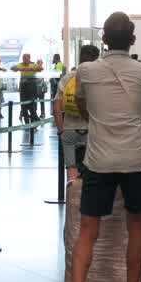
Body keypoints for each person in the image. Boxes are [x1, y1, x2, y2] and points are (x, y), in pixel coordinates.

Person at [51, 12, 141, 282]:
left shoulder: (85, 71)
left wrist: (99, 119)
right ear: (133, 40)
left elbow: (82, 108)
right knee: (136, 224)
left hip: (97, 158)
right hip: (135, 158)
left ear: (103, 41)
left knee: (88, 228)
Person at [54, 44, 101, 181]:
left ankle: (72, 198)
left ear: (80, 57)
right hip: (92, 129)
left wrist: (60, 130)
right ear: (96, 59)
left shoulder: (67, 78)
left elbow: (57, 108)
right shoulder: (98, 79)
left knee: (71, 166)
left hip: (69, 128)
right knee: (92, 168)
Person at [12, 54, 44, 123]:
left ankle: (35, 120)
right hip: (23, 88)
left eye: (26, 58)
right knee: (23, 106)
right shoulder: (21, 64)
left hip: (32, 87)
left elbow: (41, 69)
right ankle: (26, 122)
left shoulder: (33, 64)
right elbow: (13, 68)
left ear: (29, 58)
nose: (25, 60)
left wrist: (31, 69)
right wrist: (21, 69)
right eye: (23, 58)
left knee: (32, 106)